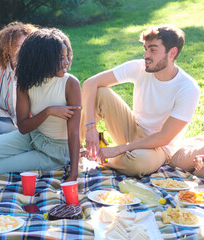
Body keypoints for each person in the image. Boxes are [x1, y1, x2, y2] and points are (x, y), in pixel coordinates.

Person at [80, 25, 200, 177]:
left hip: (160, 147)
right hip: (133, 129)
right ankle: (73, 148)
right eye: (145, 49)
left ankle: (98, 158)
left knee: (137, 164)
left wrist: (118, 149)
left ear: (172, 52)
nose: (146, 55)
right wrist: (90, 127)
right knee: (100, 92)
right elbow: (90, 83)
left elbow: (164, 137)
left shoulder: (188, 88)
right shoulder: (139, 67)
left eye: (153, 50)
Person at [0, 28, 81, 181]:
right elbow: (23, 127)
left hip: (55, 151)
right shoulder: (25, 82)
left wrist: (74, 174)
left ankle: (32, 159)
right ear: (43, 59)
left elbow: (74, 133)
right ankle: (24, 156)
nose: (66, 62)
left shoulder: (70, 84)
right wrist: (48, 111)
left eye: (66, 57)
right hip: (33, 136)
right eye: (60, 58)